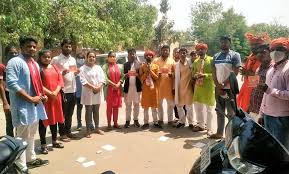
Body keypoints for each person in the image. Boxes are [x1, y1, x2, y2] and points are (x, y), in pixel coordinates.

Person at [6, 36, 49, 172]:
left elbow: (37, 84)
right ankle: (21, 165)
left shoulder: (34, 63)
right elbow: (12, 84)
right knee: (21, 136)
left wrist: (42, 96)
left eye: (34, 47)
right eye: (28, 46)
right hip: (22, 106)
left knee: (31, 134)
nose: (32, 48)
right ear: (21, 47)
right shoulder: (15, 62)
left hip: (35, 105)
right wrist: (30, 98)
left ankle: (31, 159)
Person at [258, 38, 289, 150]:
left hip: (281, 118)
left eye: (279, 49)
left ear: (287, 51)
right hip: (268, 115)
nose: (275, 52)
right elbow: (265, 94)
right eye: (272, 49)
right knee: (271, 149)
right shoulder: (271, 69)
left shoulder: (287, 69)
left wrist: (270, 90)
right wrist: (261, 113)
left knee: (281, 150)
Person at [210, 36, 241, 139]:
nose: (224, 44)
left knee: (231, 114)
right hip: (218, 88)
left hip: (229, 89)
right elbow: (213, 72)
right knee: (220, 111)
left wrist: (224, 85)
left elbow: (235, 72)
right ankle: (219, 133)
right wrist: (218, 85)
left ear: (230, 43)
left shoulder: (235, 55)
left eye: (226, 42)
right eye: (222, 42)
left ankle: (231, 135)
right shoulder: (216, 56)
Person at [37, 49, 65, 154]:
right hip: (46, 99)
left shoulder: (54, 67)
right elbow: (38, 84)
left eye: (49, 57)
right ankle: (43, 144)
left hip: (56, 98)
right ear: (40, 58)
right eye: (45, 57)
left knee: (55, 120)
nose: (47, 59)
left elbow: (60, 81)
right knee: (43, 122)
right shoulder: (39, 69)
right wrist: (50, 93)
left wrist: (56, 91)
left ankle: (54, 141)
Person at [51, 38, 78, 141]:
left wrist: (76, 72)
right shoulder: (56, 59)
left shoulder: (73, 59)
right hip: (63, 90)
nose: (68, 48)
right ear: (61, 47)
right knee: (62, 113)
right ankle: (62, 134)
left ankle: (68, 131)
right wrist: (61, 74)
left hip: (73, 90)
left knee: (70, 113)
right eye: (66, 46)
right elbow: (52, 74)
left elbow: (73, 71)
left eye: (69, 46)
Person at [237, 32, 270, 112]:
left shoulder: (263, 59)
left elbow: (259, 80)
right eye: (252, 45)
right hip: (246, 86)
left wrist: (248, 73)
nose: (254, 47)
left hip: (255, 90)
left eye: (256, 45)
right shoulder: (250, 56)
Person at [80, 51, 105, 137]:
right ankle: (88, 130)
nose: (92, 58)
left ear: (95, 58)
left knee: (96, 111)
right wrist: (93, 87)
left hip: (98, 92)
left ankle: (97, 128)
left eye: (93, 57)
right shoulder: (82, 68)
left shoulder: (98, 68)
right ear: (87, 58)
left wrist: (99, 87)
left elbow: (103, 79)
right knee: (88, 111)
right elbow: (83, 81)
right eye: (90, 56)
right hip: (88, 93)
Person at [192, 43, 215, 135]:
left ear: (206, 50)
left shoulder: (211, 60)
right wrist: (195, 75)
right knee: (198, 108)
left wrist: (205, 75)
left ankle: (209, 128)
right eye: (198, 49)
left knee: (209, 110)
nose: (200, 51)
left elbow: (215, 75)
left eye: (202, 49)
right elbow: (193, 74)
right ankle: (201, 125)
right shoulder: (196, 62)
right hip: (198, 88)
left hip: (208, 88)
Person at [248, 44, 273, 121]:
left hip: (265, 112)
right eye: (258, 53)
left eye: (263, 52)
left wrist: (262, 114)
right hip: (254, 109)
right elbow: (253, 88)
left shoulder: (273, 68)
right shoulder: (259, 68)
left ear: (271, 53)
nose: (259, 55)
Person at [139, 50, 162, 129]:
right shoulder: (142, 66)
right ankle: (146, 123)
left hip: (153, 89)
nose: (149, 56)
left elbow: (156, 78)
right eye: (147, 55)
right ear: (145, 57)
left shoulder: (156, 66)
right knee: (145, 108)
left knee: (154, 107)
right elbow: (141, 79)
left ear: (152, 57)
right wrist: (146, 72)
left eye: (150, 55)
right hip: (145, 90)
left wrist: (150, 70)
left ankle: (155, 122)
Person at [153, 45, 175, 126]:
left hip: (169, 87)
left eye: (167, 50)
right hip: (159, 86)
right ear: (160, 51)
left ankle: (170, 120)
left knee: (171, 104)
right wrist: (157, 74)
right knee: (159, 104)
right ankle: (160, 119)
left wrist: (171, 74)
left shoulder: (172, 61)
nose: (165, 52)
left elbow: (175, 73)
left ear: (169, 51)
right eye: (163, 50)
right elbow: (152, 71)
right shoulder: (156, 61)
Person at [102, 51, 124, 130]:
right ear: (108, 58)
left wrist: (118, 83)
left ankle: (115, 122)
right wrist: (113, 84)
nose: (112, 58)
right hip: (109, 89)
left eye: (114, 56)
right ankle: (109, 124)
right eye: (111, 56)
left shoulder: (120, 66)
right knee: (109, 107)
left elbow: (122, 76)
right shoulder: (105, 66)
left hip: (117, 89)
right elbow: (104, 77)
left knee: (116, 107)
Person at [0, 45, 18, 137]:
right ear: (6, 55)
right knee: (10, 121)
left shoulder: (19, 66)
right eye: (11, 53)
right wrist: (5, 103)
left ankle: (19, 143)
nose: (14, 55)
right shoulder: (3, 68)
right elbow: (1, 86)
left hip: (19, 96)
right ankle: (10, 144)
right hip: (8, 96)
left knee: (19, 122)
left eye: (16, 53)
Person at [174, 48, 194, 129]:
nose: (183, 54)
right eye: (181, 53)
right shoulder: (176, 65)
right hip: (180, 87)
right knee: (179, 106)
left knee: (189, 106)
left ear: (186, 54)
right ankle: (182, 121)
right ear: (178, 54)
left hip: (188, 87)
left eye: (184, 53)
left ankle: (191, 122)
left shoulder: (190, 63)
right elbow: (175, 78)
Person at [123, 48, 142, 128]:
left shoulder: (139, 64)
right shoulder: (125, 65)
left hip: (137, 87)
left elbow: (142, 75)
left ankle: (136, 120)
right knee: (128, 105)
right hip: (128, 87)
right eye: (130, 54)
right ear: (128, 55)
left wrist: (138, 75)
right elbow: (122, 76)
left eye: (133, 54)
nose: (132, 55)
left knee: (136, 104)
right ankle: (127, 121)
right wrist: (126, 75)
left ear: (135, 54)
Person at [75, 52, 85, 131]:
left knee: (89, 108)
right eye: (79, 58)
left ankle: (90, 123)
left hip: (86, 91)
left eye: (82, 58)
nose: (81, 60)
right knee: (79, 108)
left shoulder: (86, 66)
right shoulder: (74, 67)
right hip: (78, 91)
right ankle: (79, 123)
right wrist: (75, 73)